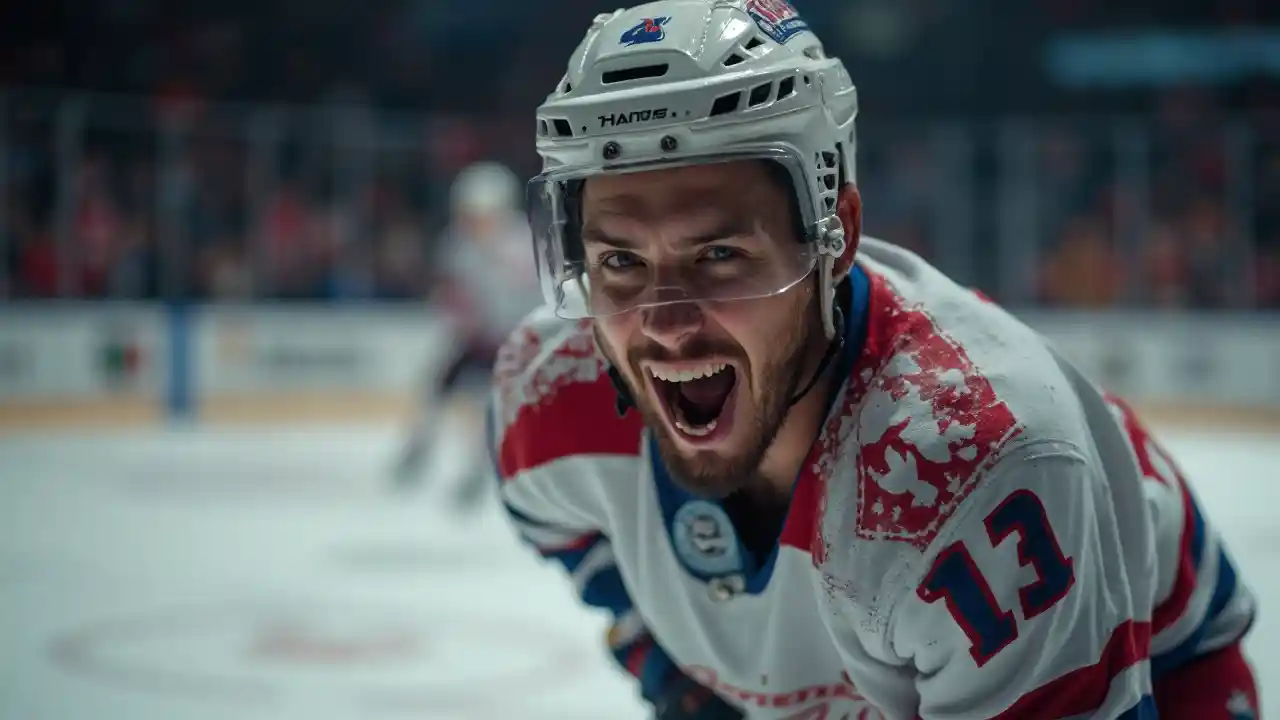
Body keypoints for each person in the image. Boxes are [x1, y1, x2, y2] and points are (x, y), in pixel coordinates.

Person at [490, 1, 1261, 718]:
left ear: (837, 237)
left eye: (720, 255)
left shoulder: (982, 465)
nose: (665, 326)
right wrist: (671, 675)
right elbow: (560, 530)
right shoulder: (546, 385)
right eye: (621, 262)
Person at [393, 161, 542, 503]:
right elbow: (451, 293)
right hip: (477, 339)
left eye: (480, 214)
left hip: (513, 342)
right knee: (437, 388)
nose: (473, 222)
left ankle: (477, 470)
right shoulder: (457, 243)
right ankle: (419, 447)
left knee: (490, 408)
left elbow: (533, 298)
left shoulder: (521, 245)